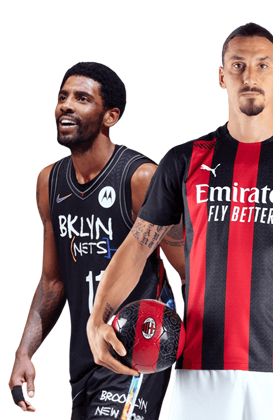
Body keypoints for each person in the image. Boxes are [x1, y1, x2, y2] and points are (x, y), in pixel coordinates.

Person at [86, 23, 273, 420]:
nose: (250, 76)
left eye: (262, 65)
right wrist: (97, 319)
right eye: (238, 65)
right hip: (201, 368)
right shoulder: (184, 161)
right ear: (222, 77)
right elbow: (137, 246)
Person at [9, 62, 185, 420]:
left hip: (135, 350)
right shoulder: (49, 183)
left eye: (81, 98)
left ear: (110, 116)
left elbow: (191, 268)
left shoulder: (141, 179)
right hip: (83, 355)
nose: (66, 105)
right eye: (63, 97)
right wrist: (25, 352)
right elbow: (53, 281)